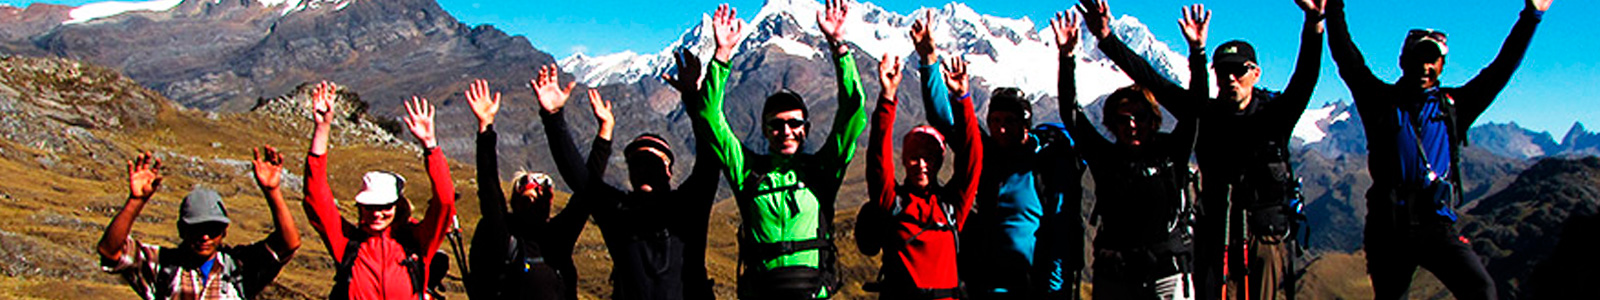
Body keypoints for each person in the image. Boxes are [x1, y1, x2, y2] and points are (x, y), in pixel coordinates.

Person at [1079, 1, 1326, 298]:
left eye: (1238, 70)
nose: (1230, 78)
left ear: (1256, 73)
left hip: (1264, 236)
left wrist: (1314, 23)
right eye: (1222, 71)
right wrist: (1106, 39)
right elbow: (1149, 78)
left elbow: (1305, 79)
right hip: (1214, 233)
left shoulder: (1275, 116)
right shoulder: (1203, 114)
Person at [1325, 0, 1551, 299]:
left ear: (1442, 64)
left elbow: (1502, 69)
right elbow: (1346, 57)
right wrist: (1333, 7)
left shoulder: (1455, 107)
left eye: (1432, 59)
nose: (1424, 66)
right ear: (1402, 60)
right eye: (1417, 57)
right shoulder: (1379, 101)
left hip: (1436, 222)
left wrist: (1532, 16)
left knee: (1481, 288)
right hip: (1388, 225)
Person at [688, 1, 868, 298]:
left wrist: (839, 47)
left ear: (806, 129)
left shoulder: (824, 171)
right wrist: (721, 56)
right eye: (776, 124)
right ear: (765, 130)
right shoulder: (747, 171)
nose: (786, 131)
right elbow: (709, 118)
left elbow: (853, 112)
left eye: (794, 123)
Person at [912, 10, 1088, 299]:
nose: (1001, 129)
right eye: (995, 122)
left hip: (1033, 284)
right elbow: (942, 118)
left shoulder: (1048, 162)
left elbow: (1060, 228)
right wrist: (928, 60)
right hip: (985, 281)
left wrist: (1055, 289)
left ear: (1025, 124)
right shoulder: (987, 154)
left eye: (1010, 122)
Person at [531, 49, 722, 299]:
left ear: (669, 170)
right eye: (637, 162)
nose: (643, 168)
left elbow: (710, 157)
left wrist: (692, 98)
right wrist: (553, 117)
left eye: (652, 161)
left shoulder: (689, 206)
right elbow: (579, 177)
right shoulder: (618, 211)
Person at [1060, 5, 1205, 298]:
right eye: (1123, 119)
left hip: (1166, 272)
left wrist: (1198, 53)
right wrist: (1067, 58)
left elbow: (1196, 110)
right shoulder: (1105, 157)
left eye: (1139, 117)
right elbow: (1070, 115)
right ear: (1112, 124)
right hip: (1116, 273)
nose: (1132, 125)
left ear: (1154, 121)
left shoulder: (1171, 151)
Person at [301, 82, 458, 299]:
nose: (376, 213)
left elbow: (445, 202)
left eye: (384, 207)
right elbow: (316, 197)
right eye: (369, 207)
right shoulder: (347, 243)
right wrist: (322, 128)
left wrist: (430, 146)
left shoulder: (417, 242)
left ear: (397, 206)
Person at [857, 50, 984, 300]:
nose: (921, 164)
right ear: (903, 159)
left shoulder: (952, 207)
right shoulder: (892, 203)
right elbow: (877, 159)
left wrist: (962, 99)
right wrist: (887, 97)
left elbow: (973, 159)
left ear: (939, 162)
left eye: (929, 157)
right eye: (914, 156)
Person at [97, 148, 301, 300]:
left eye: (212, 230)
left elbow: (288, 243)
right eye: (196, 230)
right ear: (182, 230)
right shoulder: (163, 266)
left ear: (224, 232)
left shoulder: (239, 267)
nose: (205, 237)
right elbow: (110, 252)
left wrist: (272, 192)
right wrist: (136, 201)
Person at [462, 79, 587, 300]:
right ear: (513, 203)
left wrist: (604, 133)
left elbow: (587, 194)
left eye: (540, 198)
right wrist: (485, 130)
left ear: (550, 204)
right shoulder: (505, 238)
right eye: (527, 199)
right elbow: (489, 191)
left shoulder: (558, 237)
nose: (534, 204)